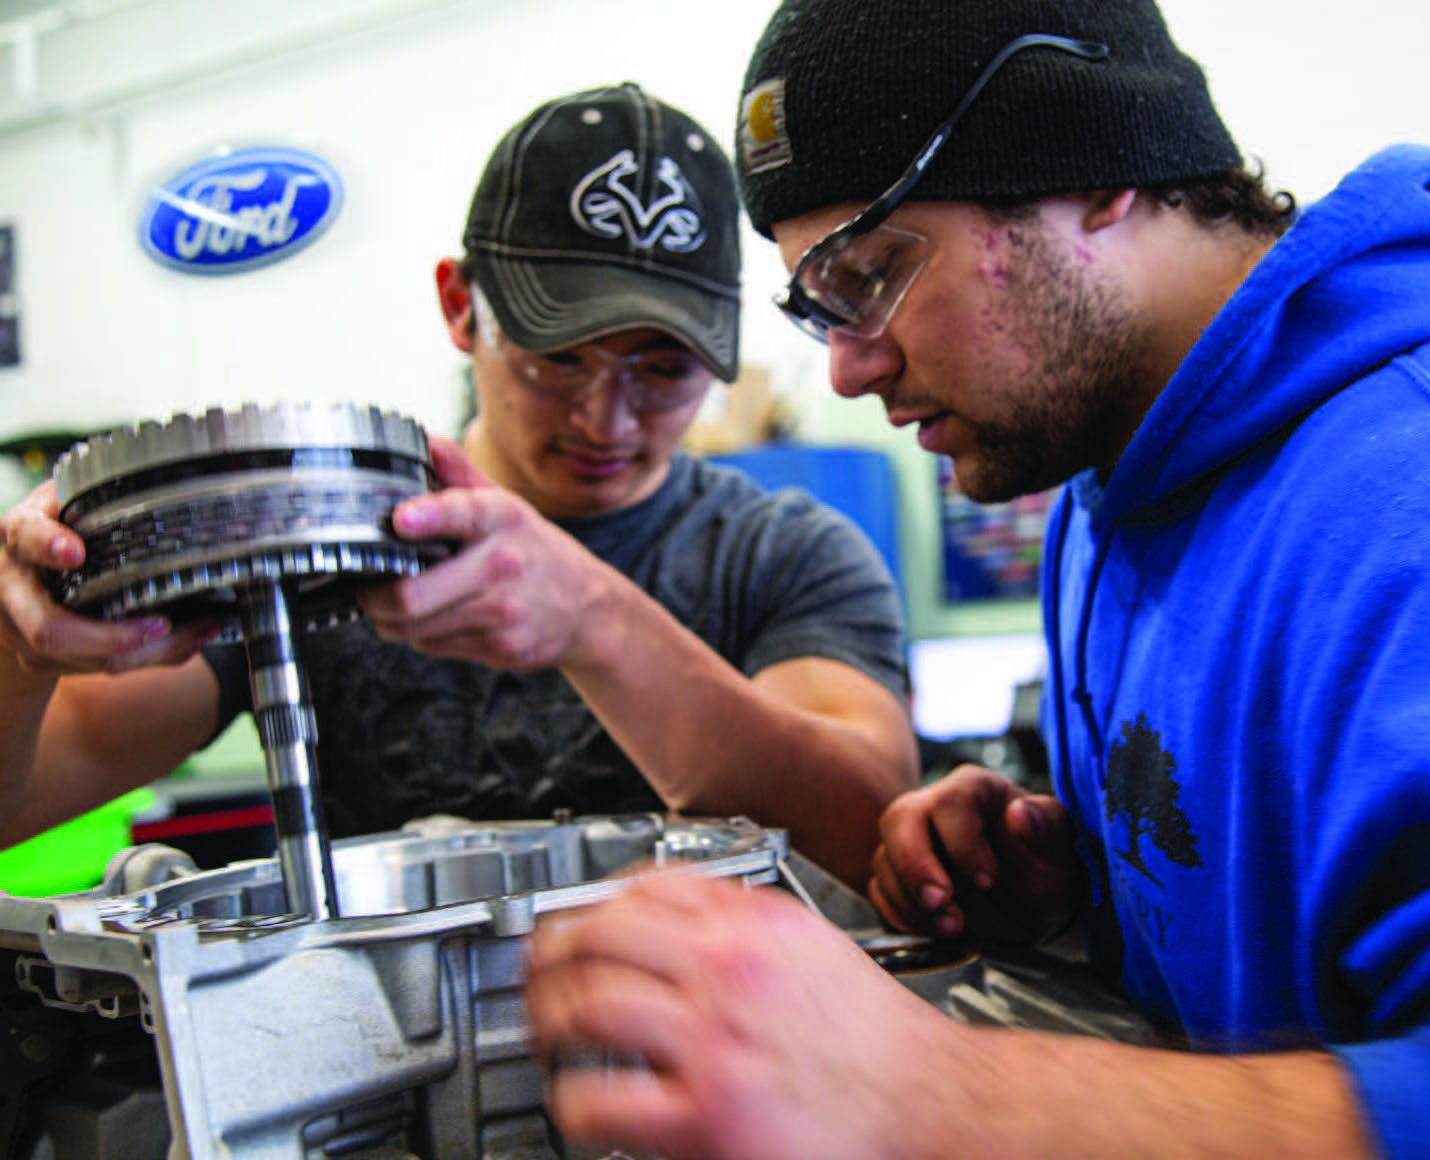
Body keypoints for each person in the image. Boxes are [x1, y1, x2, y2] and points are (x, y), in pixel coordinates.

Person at [521, 5, 1430, 1159]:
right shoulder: (1105, 490)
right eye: (817, 304)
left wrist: (944, 1095)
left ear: (1093, 171)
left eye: (871, 273)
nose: (844, 367)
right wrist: (1068, 891)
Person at [0, 82, 919, 889]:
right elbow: (28, 793)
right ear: (458, 306)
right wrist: (22, 649)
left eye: (663, 367)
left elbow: (865, 835)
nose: (607, 419)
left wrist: (595, 621)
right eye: (556, 359)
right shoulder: (327, 536)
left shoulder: (785, 555)